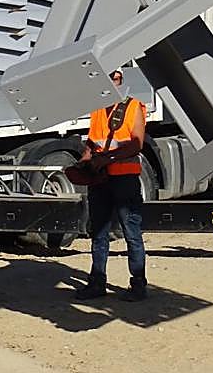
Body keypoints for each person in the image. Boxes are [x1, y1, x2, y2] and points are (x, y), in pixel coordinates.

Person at [75, 68, 149, 302]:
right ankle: (97, 283)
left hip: (124, 178)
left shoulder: (133, 106)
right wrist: (85, 161)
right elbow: (92, 141)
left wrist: (105, 159)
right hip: (100, 179)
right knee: (98, 233)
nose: (112, 84)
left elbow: (135, 144)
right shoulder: (97, 108)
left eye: (115, 79)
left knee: (131, 233)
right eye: (108, 79)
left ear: (121, 81)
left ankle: (138, 285)